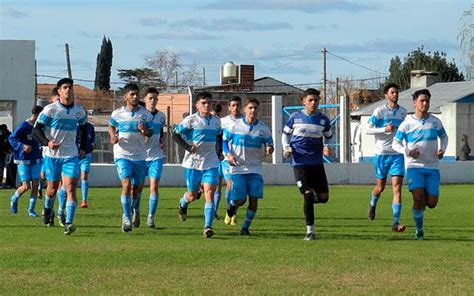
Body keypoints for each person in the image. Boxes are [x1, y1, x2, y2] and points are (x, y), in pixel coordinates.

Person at [33, 78, 88, 235]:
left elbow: (84, 129)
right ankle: (47, 209)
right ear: (59, 91)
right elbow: (36, 130)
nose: (68, 90)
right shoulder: (50, 110)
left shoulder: (79, 111)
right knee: (51, 190)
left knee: (70, 187)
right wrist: (47, 142)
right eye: (65, 87)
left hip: (70, 155)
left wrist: (83, 147)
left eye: (70, 87)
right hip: (52, 156)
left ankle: (68, 223)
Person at [392, 89, 448, 240]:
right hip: (414, 167)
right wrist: (408, 152)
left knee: (431, 203)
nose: (425, 103)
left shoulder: (435, 122)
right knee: (418, 198)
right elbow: (395, 143)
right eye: (422, 100)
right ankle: (419, 231)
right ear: (414, 103)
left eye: (427, 101)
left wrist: (442, 149)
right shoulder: (407, 123)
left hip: (432, 167)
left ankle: (419, 210)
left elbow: (444, 137)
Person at [282, 88, 334, 241]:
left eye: (316, 100)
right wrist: (286, 147)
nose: (313, 103)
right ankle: (310, 231)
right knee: (308, 194)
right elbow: (285, 134)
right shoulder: (295, 117)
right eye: (310, 100)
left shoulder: (323, 119)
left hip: (317, 163)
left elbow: (329, 137)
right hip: (300, 162)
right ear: (303, 101)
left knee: (324, 198)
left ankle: (310, 201)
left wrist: (328, 147)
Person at [173, 91, 222, 238]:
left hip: (211, 162)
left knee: (209, 193)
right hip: (193, 163)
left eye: (209, 103)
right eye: (203, 103)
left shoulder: (216, 121)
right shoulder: (191, 120)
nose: (207, 105)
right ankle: (183, 203)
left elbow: (219, 135)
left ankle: (207, 227)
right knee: (193, 196)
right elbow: (174, 134)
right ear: (197, 105)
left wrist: (219, 151)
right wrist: (188, 147)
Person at [223, 98, 273, 235]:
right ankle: (232, 206)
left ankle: (245, 227)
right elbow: (224, 141)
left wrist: (270, 148)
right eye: (250, 108)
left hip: (255, 169)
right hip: (238, 168)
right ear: (244, 109)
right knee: (240, 200)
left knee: (254, 199)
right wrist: (228, 155)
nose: (253, 110)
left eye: (255, 108)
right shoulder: (235, 126)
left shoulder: (263, 129)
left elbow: (270, 143)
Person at [108, 83, 153, 233]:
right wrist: (112, 136)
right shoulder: (117, 114)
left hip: (140, 155)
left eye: (136, 94)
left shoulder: (145, 114)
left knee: (137, 188)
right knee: (126, 185)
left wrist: (144, 130)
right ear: (125, 96)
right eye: (132, 94)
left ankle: (136, 209)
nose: (135, 97)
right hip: (122, 154)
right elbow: (111, 125)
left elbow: (150, 133)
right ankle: (126, 218)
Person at [366, 83, 408, 232]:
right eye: (392, 92)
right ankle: (372, 204)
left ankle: (395, 222)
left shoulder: (403, 112)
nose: (395, 94)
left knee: (397, 188)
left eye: (396, 92)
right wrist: (384, 129)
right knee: (380, 187)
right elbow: (368, 130)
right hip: (382, 154)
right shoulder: (379, 111)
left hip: (397, 154)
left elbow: (406, 131)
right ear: (386, 95)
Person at [135, 87, 166, 228]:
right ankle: (136, 211)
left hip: (156, 156)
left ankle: (151, 217)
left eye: (155, 98)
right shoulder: (139, 116)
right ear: (145, 100)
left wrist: (161, 140)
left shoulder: (161, 116)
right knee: (138, 188)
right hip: (140, 157)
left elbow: (161, 132)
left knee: (154, 187)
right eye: (150, 98)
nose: (153, 101)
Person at [8, 106, 44, 216]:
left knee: (35, 184)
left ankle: (31, 210)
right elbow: (11, 138)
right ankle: (13, 199)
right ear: (38, 115)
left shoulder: (40, 126)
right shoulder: (24, 126)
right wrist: (22, 146)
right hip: (23, 159)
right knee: (26, 186)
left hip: (36, 158)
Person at [221, 96, 243, 225]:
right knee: (230, 184)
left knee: (238, 188)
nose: (235, 108)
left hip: (242, 160)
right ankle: (228, 211)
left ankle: (233, 212)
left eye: (238, 105)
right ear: (229, 107)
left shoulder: (244, 121)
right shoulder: (222, 121)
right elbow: (220, 139)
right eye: (233, 105)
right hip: (226, 158)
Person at [211, 102, 224, 219]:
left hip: (218, 157)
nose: (216, 117)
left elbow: (221, 139)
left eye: (218, 115)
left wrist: (220, 153)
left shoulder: (220, 124)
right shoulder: (206, 123)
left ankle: (214, 211)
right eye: (214, 115)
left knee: (218, 184)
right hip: (205, 158)